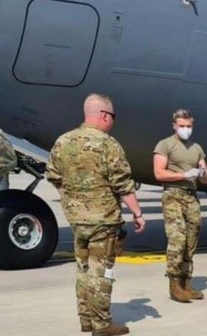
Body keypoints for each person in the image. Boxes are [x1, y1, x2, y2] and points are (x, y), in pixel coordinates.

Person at [45, 93, 146, 336]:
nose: (113, 121)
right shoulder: (108, 144)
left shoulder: (63, 141)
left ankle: (86, 319)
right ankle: (101, 324)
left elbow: (53, 175)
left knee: (83, 269)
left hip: (77, 219)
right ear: (103, 115)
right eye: (112, 116)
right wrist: (138, 213)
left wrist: (72, 198)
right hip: (103, 220)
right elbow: (122, 183)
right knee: (101, 270)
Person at [153, 109, 207, 303]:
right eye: (182, 126)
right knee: (177, 239)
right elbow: (159, 174)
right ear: (174, 126)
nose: (186, 129)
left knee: (191, 240)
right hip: (173, 194)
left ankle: (186, 281)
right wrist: (183, 175)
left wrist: (202, 173)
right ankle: (174, 283)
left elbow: (206, 177)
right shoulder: (165, 145)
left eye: (189, 126)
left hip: (191, 196)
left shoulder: (197, 148)